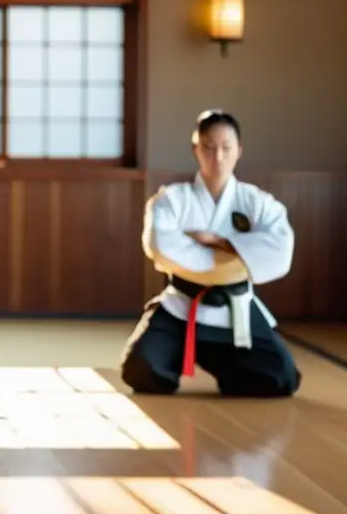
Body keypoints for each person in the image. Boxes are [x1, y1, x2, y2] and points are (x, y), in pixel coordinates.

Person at [120, 109, 301, 397]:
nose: (218, 157)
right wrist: (239, 256)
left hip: (236, 308)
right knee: (142, 370)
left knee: (281, 378)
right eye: (208, 147)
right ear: (195, 150)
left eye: (226, 148)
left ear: (239, 151)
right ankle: (189, 355)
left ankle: (223, 362)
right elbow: (162, 245)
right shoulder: (173, 199)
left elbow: (280, 248)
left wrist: (218, 242)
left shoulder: (257, 202)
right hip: (182, 305)